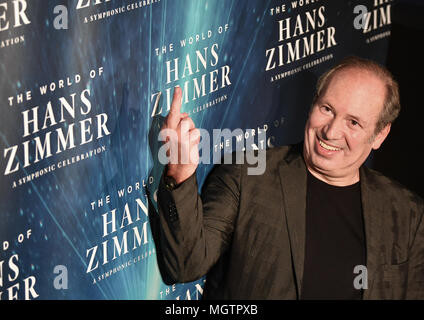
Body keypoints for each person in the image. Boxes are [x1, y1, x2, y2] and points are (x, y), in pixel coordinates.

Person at [149, 56, 424, 299]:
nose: (330, 132)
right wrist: (180, 174)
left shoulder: (407, 213)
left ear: (379, 134)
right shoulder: (247, 174)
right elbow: (186, 265)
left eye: (353, 122)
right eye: (326, 109)